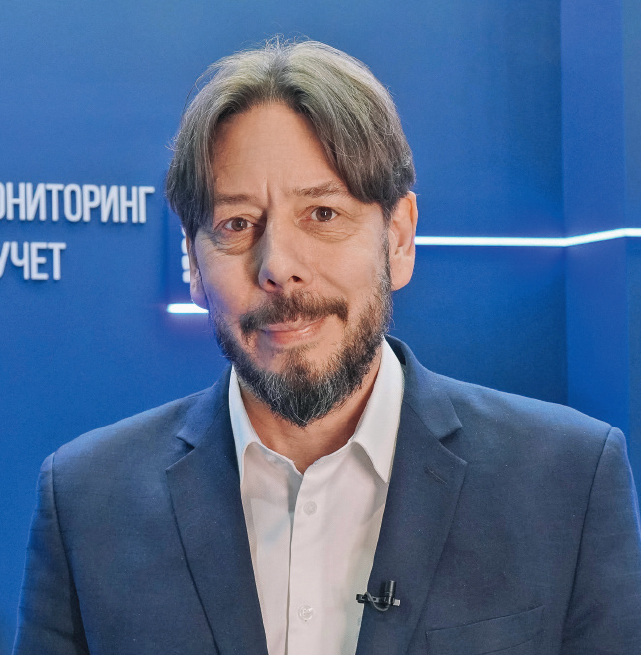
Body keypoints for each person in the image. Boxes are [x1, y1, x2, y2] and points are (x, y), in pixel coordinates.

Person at [14, 39, 641, 655]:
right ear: (195, 264)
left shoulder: (569, 482)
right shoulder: (86, 501)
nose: (278, 266)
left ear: (398, 238)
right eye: (237, 224)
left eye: (322, 214)